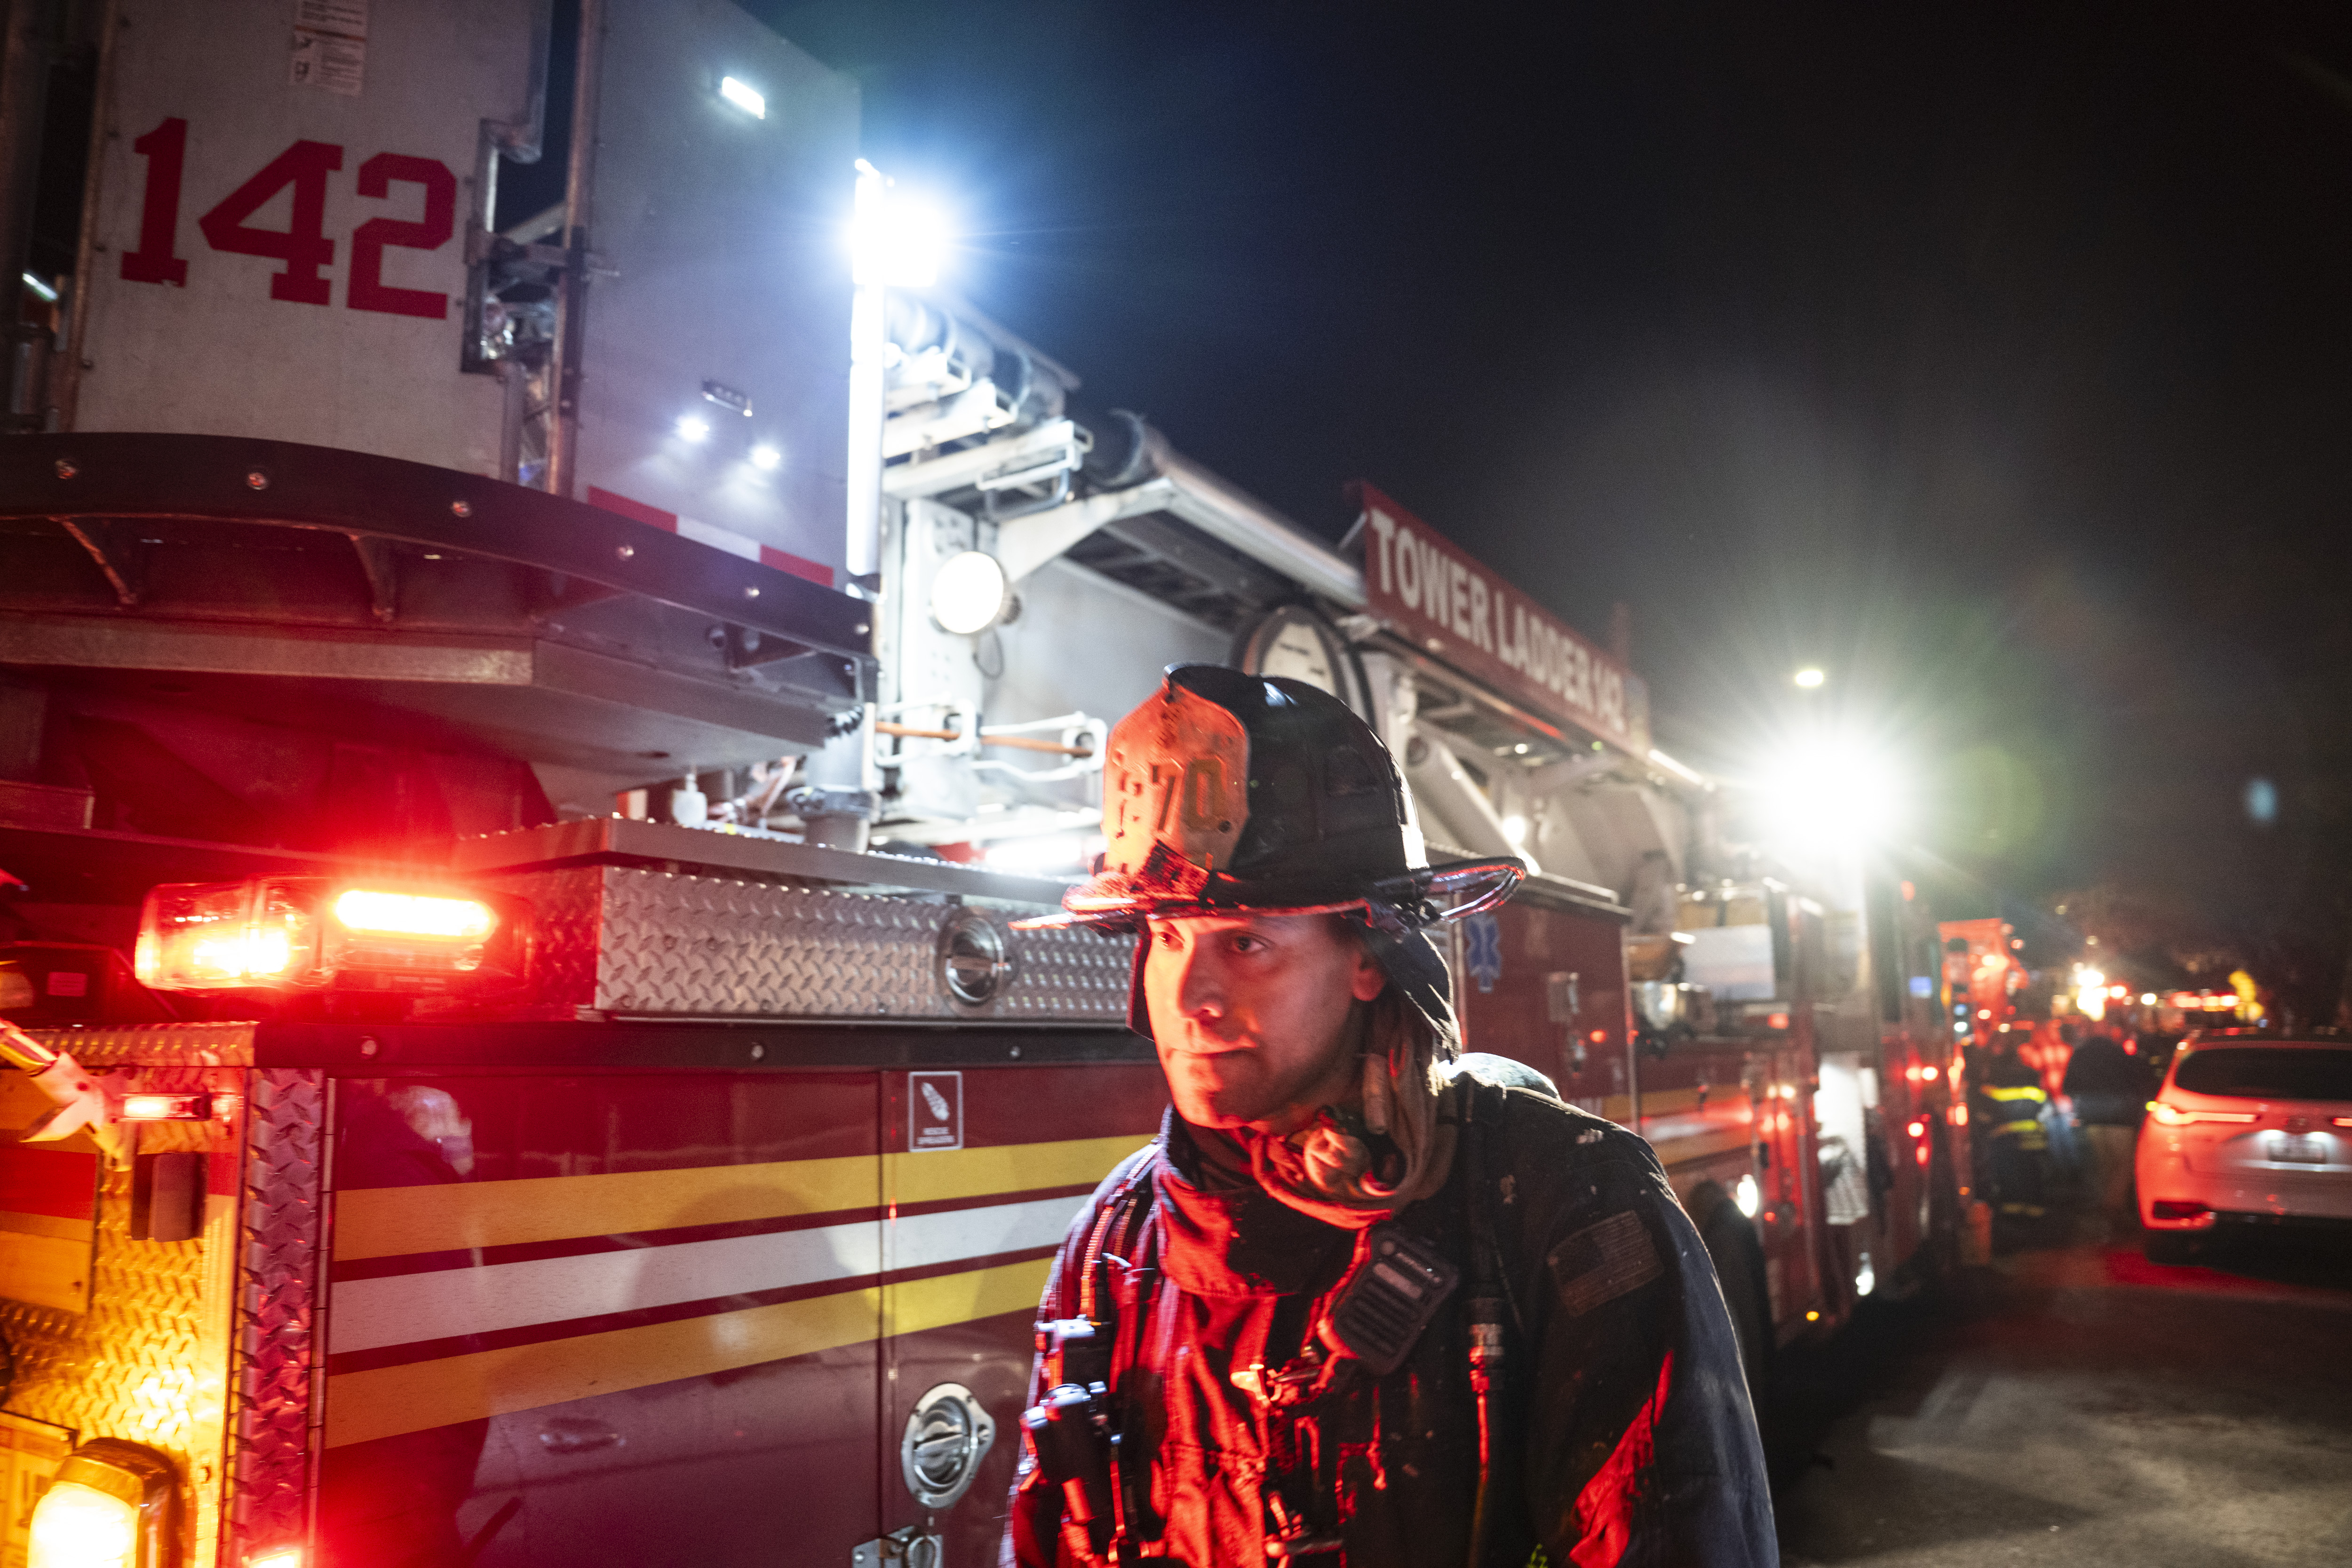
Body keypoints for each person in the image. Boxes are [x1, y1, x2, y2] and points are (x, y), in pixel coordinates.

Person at [1005, 664, 1777, 1568]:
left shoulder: (1565, 1207)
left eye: (1246, 942)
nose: (1190, 993)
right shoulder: (1117, 1239)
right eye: (1167, 937)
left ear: (1368, 957)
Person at [2061, 1024, 2151, 1238]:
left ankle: (2102, 1214)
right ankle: (2112, 1209)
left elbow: (2068, 1086)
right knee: (2124, 1165)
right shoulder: (2121, 1054)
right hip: (2120, 1116)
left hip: (2091, 1116)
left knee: (2102, 1166)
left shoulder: (2080, 1055)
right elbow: (2141, 1079)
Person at [1972, 1037, 2050, 1221]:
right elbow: (2042, 1104)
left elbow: (1985, 1113)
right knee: (2032, 1172)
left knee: (2009, 1174)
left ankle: (2012, 1215)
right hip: (2032, 1134)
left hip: (2004, 1137)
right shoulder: (2033, 1076)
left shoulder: (1993, 1082)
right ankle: (2036, 1211)